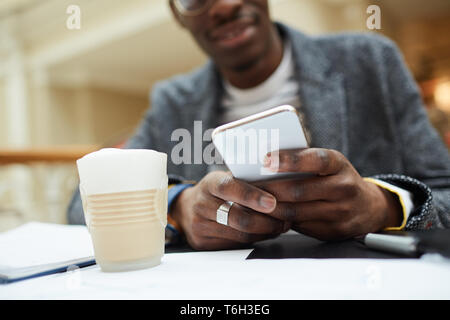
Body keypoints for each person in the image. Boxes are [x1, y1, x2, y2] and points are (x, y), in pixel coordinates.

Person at [68, 0, 450, 250]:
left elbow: (444, 190)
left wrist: (382, 205)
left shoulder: (370, 62)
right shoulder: (174, 101)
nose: (224, 6)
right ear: (177, 15)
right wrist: (177, 208)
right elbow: (81, 203)